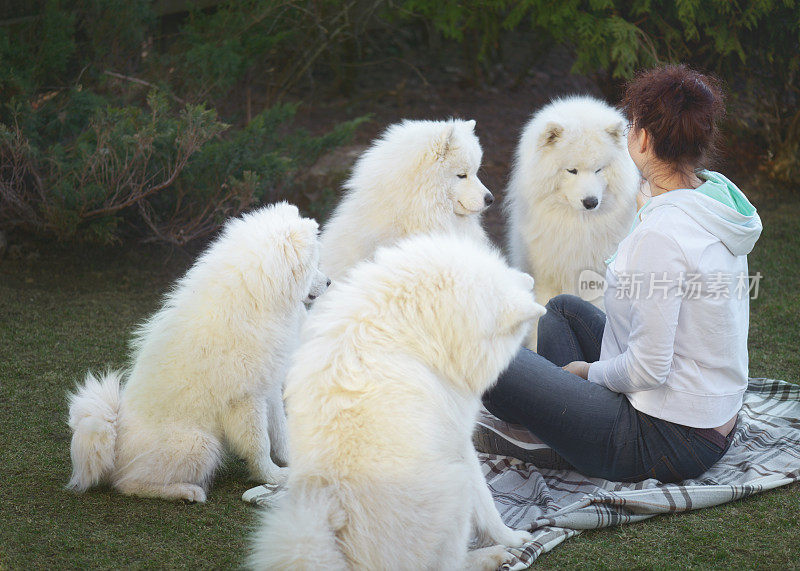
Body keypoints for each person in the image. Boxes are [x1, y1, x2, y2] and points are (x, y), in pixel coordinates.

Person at [482, 64, 763, 483]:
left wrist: (585, 373)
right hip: (709, 415)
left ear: (643, 139)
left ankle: (553, 434)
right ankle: (558, 419)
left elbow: (649, 369)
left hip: (665, 438)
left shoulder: (663, 236)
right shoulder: (714, 201)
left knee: (487, 354)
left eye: (633, 125)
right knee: (561, 310)